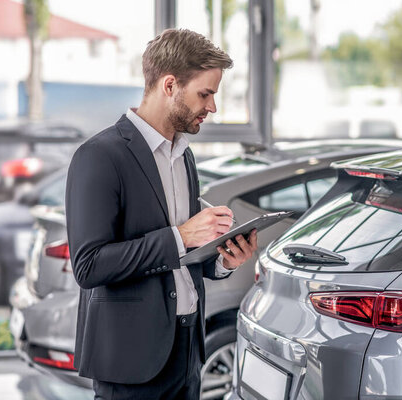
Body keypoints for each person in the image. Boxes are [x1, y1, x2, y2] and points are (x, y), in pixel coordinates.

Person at [65, 29, 258, 400]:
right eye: (206, 93)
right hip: (130, 358)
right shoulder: (99, 156)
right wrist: (181, 235)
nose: (212, 107)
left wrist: (222, 260)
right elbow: (89, 266)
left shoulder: (183, 155)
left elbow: (183, 257)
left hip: (187, 351)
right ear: (170, 85)